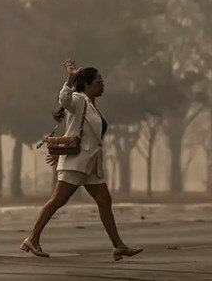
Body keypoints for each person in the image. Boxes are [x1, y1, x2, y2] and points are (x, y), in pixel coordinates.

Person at [21, 58, 142, 261]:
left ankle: (118, 246)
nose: (102, 85)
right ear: (86, 84)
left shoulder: (91, 105)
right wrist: (70, 79)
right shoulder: (78, 100)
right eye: (98, 81)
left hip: (91, 164)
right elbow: (64, 99)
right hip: (76, 162)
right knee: (57, 201)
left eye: (102, 81)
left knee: (105, 201)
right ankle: (32, 239)